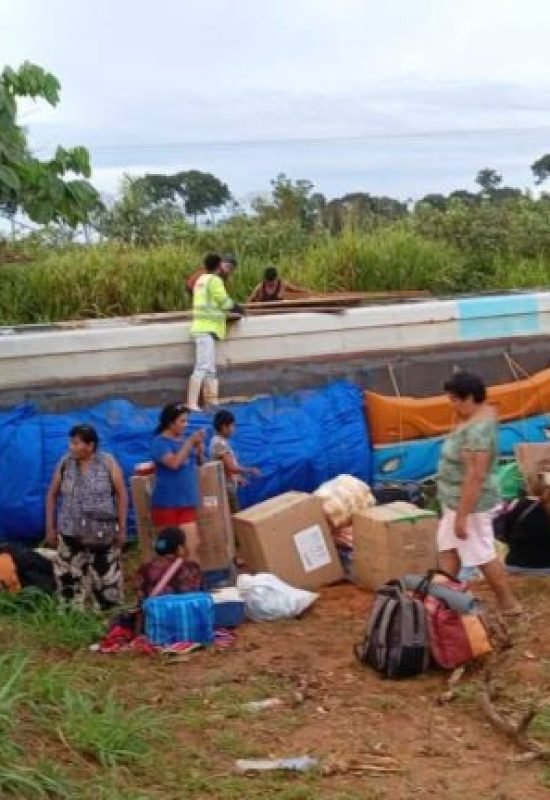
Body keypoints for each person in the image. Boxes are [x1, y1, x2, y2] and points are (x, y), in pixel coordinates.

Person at [436, 371, 521, 616]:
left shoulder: (479, 430)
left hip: (470, 504)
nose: (452, 405)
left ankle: (509, 604)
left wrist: (462, 516)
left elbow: (476, 475)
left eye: (455, 400)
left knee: (482, 555)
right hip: (454, 499)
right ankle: (441, 599)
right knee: (448, 549)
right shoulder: (473, 417)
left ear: (470, 397)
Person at [46, 424, 128, 610]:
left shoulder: (108, 463)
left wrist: (121, 529)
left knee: (107, 582)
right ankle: (72, 620)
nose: (71, 447)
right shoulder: (65, 463)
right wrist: (50, 528)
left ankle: (110, 620)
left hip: (102, 534)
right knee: (68, 581)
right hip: (70, 533)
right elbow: (52, 495)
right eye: (71, 442)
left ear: (90, 446)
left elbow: (122, 494)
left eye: (75, 443)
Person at [187, 253, 244, 411]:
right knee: (202, 366)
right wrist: (237, 307)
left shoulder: (201, 280)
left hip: (202, 327)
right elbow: (224, 302)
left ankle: (211, 401)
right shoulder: (215, 280)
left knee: (210, 368)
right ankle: (192, 403)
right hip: (207, 328)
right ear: (218, 265)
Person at [151, 403, 204, 563]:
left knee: (192, 547)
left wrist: (199, 449)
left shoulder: (182, 441)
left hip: (186, 502)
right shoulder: (160, 443)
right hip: (166, 505)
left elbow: (199, 463)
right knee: (169, 553)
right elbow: (174, 463)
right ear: (170, 422)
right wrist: (189, 443)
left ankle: (193, 581)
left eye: (186, 421)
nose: (185, 425)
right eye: (182, 421)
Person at [209, 409, 261, 513]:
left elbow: (225, 467)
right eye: (232, 426)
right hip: (226, 489)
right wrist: (250, 470)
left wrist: (237, 478)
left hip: (227, 486)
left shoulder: (218, 442)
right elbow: (230, 467)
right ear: (224, 427)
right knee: (235, 515)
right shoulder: (220, 444)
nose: (234, 429)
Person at [137, 527, 202, 600]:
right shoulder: (191, 568)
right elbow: (197, 595)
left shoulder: (144, 569)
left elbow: (142, 598)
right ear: (180, 547)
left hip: (157, 611)